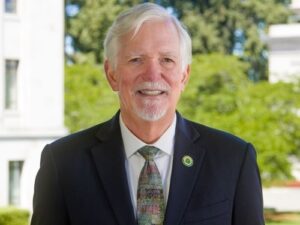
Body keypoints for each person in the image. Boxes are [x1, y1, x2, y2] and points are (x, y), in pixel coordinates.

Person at [31, 3, 265, 225]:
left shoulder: (233, 159)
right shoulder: (62, 163)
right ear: (111, 74)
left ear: (184, 75)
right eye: (136, 60)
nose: (153, 75)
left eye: (167, 60)